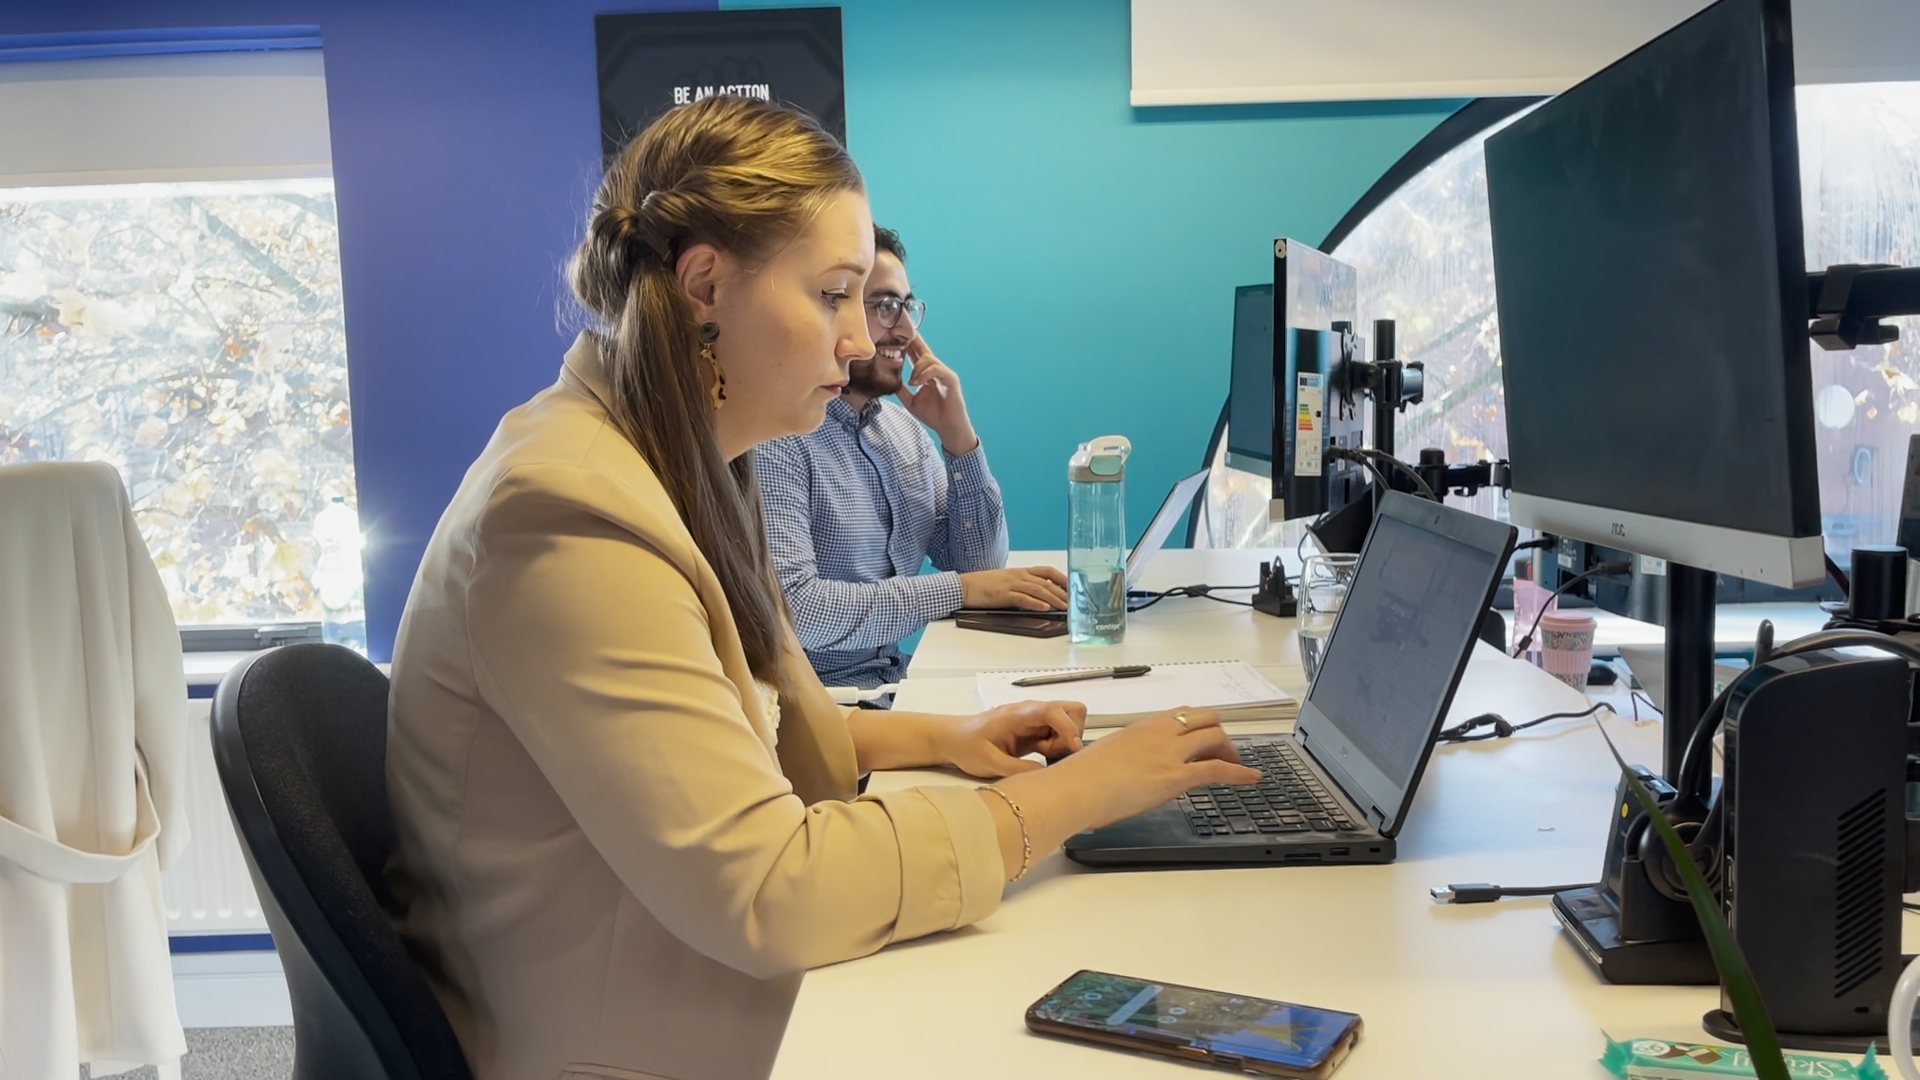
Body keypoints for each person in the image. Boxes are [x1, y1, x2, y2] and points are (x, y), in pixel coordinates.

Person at [383, 95, 1257, 1080]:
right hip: (613, 1038)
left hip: (655, 968)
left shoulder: (683, 457)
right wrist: (1073, 799)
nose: (859, 341)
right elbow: (770, 892)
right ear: (706, 284)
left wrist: (944, 740)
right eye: (835, 294)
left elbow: (736, 728)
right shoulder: (570, 515)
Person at [753, 226, 1066, 689]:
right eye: (884, 307)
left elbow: (980, 564)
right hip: (818, 709)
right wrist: (958, 592)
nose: (904, 329)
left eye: (906, 307)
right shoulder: (777, 439)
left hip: (896, 684)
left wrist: (960, 440)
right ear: (832, 309)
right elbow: (799, 611)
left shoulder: (904, 433)